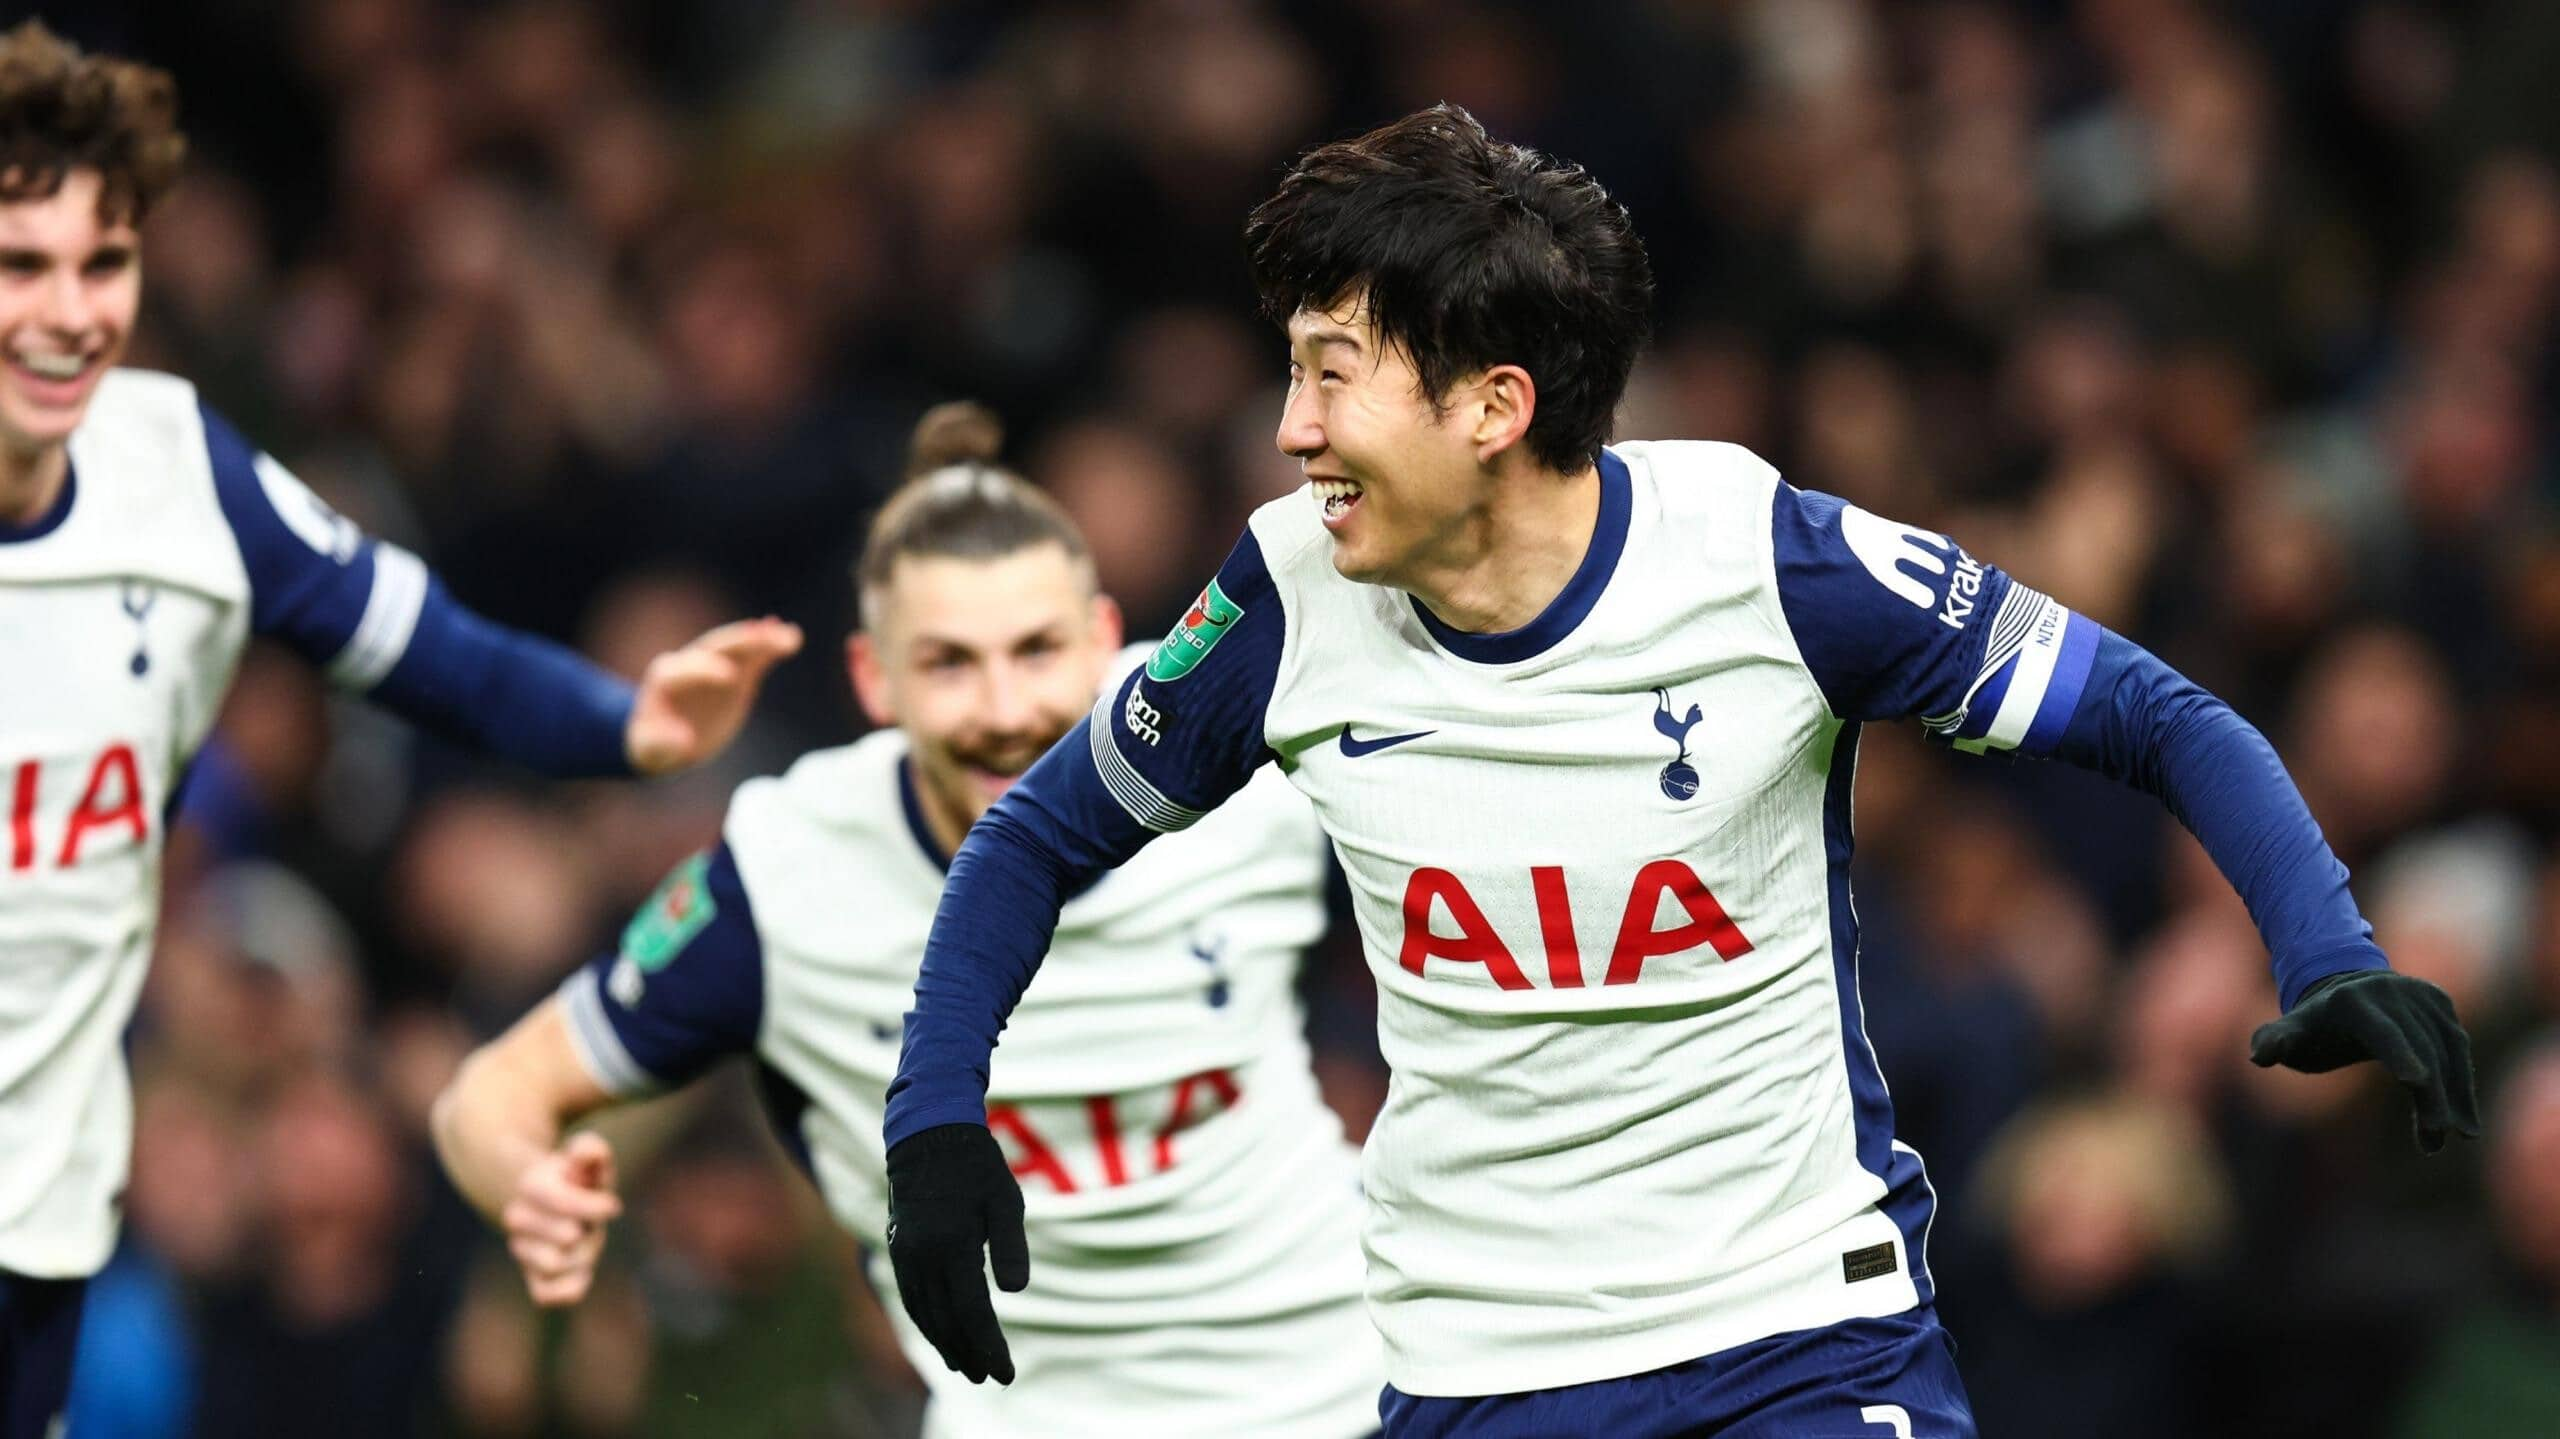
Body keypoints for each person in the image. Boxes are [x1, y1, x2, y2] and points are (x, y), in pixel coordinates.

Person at [880, 105, 2482, 1438]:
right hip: (1476, 1367)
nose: (1290, 428)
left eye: (1331, 369)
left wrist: (2327, 938)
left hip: (1799, 1335)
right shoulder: (1285, 593)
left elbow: (2162, 715)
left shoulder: (1764, 560)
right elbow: (1035, 839)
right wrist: (936, 1117)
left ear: (1494, 403)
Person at [0, 24, 794, 1436]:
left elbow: (430, 651)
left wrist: (632, 723)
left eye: (103, 264)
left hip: (44, 1214)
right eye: (23, 267)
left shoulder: (175, 466)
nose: (71, 313)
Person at [431, 404, 1383, 1439]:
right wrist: (530, 1186)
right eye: (948, 663)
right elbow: (492, 1095)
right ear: (870, 679)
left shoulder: (1232, 745)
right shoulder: (786, 870)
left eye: (1035, 649)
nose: (1003, 705)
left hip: (1345, 1387)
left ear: (1107, 639)